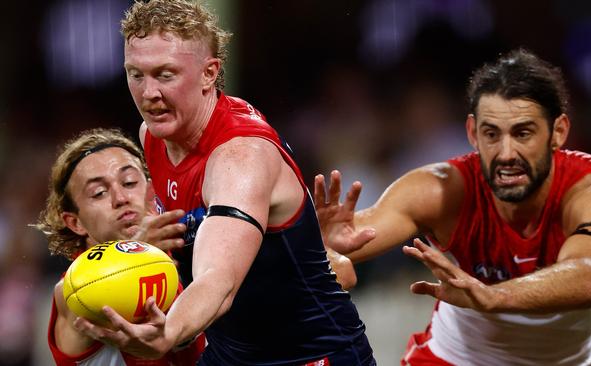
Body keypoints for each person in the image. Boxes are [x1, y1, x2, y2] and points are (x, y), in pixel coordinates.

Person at [74, 1, 375, 365]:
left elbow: (219, 280)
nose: (148, 93)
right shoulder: (153, 136)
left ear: (209, 73)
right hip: (228, 355)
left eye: (165, 75)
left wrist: (169, 332)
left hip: (312, 355)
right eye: (136, 74)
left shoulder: (240, 157)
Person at [315, 49, 591, 365]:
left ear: (558, 131)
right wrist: (317, 243)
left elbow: (587, 277)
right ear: (472, 133)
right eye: (491, 134)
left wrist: (493, 296)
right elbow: (352, 237)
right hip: (454, 359)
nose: (506, 153)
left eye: (523, 133)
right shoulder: (440, 189)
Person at [34, 128, 205, 365]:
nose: (120, 197)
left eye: (129, 182)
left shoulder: (192, 254)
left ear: (151, 193)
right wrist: (137, 251)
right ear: (75, 223)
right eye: (99, 193)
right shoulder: (74, 290)